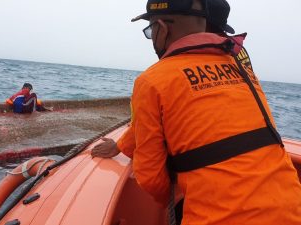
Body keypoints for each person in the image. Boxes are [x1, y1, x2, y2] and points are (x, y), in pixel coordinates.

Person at [92, 0, 301, 224]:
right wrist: (121, 145)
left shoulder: (152, 80)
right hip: (290, 208)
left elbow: (150, 176)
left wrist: (174, 198)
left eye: (150, 29)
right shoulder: (244, 70)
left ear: (162, 29)